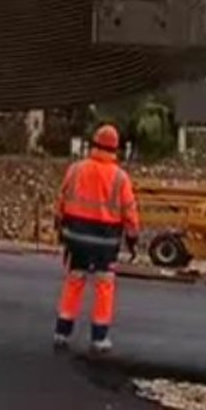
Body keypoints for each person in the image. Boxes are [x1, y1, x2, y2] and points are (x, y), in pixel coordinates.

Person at [51, 124, 139, 354]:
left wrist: (59, 224)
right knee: (104, 286)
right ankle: (99, 338)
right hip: (105, 242)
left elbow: (62, 199)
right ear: (115, 149)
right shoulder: (120, 177)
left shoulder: (76, 170)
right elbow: (129, 211)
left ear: (93, 144)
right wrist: (132, 237)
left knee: (74, 281)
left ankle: (62, 331)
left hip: (77, 237)